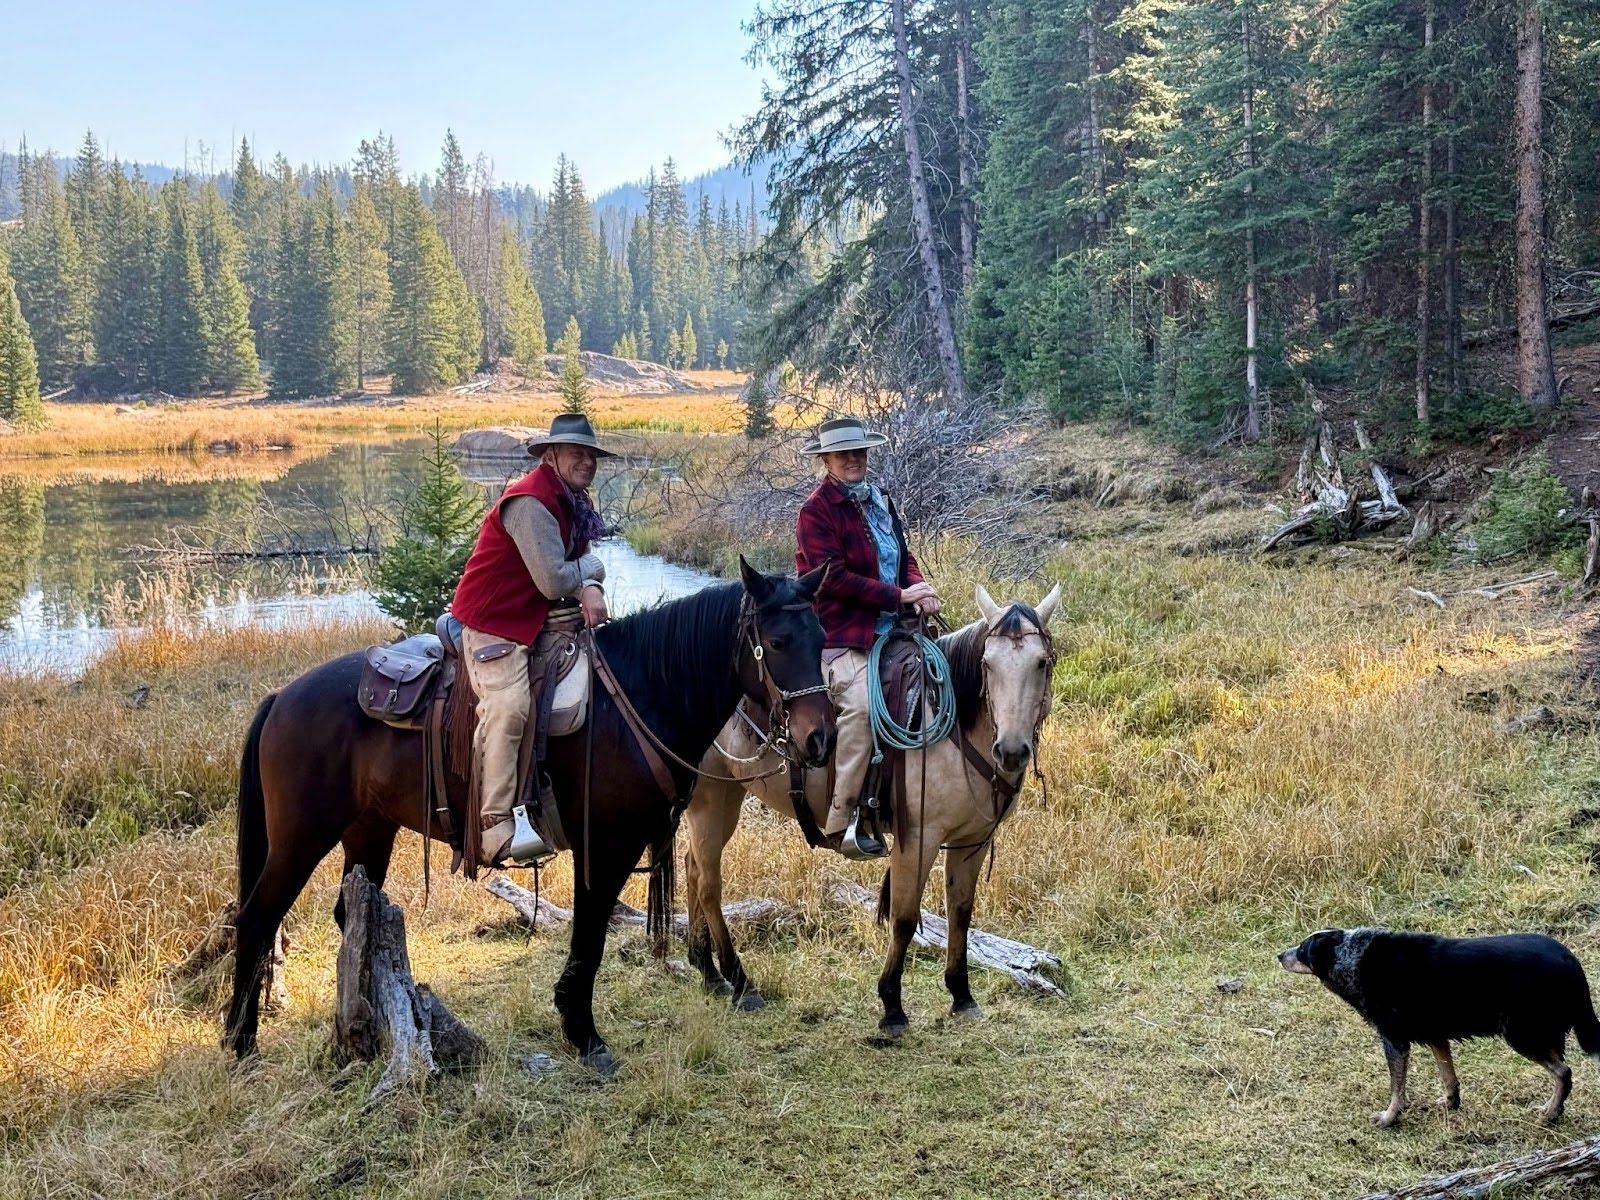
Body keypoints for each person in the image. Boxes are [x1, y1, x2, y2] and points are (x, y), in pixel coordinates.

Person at [449, 413, 615, 868]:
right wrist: (593, 573)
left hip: (532, 619)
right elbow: (553, 579)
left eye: (591, 455)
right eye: (576, 453)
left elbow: (575, 561)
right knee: (510, 706)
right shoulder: (531, 503)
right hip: (494, 622)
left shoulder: (569, 500)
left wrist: (590, 585)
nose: (586, 462)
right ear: (551, 455)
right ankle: (495, 827)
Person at [795, 416, 942, 859]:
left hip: (894, 625)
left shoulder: (879, 500)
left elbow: (902, 553)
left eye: (859, 451)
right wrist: (899, 595)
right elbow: (833, 579)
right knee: (859, 709)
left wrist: (919, 588)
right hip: (842, 633)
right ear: (825, 460)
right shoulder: (815, 511)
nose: (854, 459)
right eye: (844, 453)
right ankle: (843, 821)